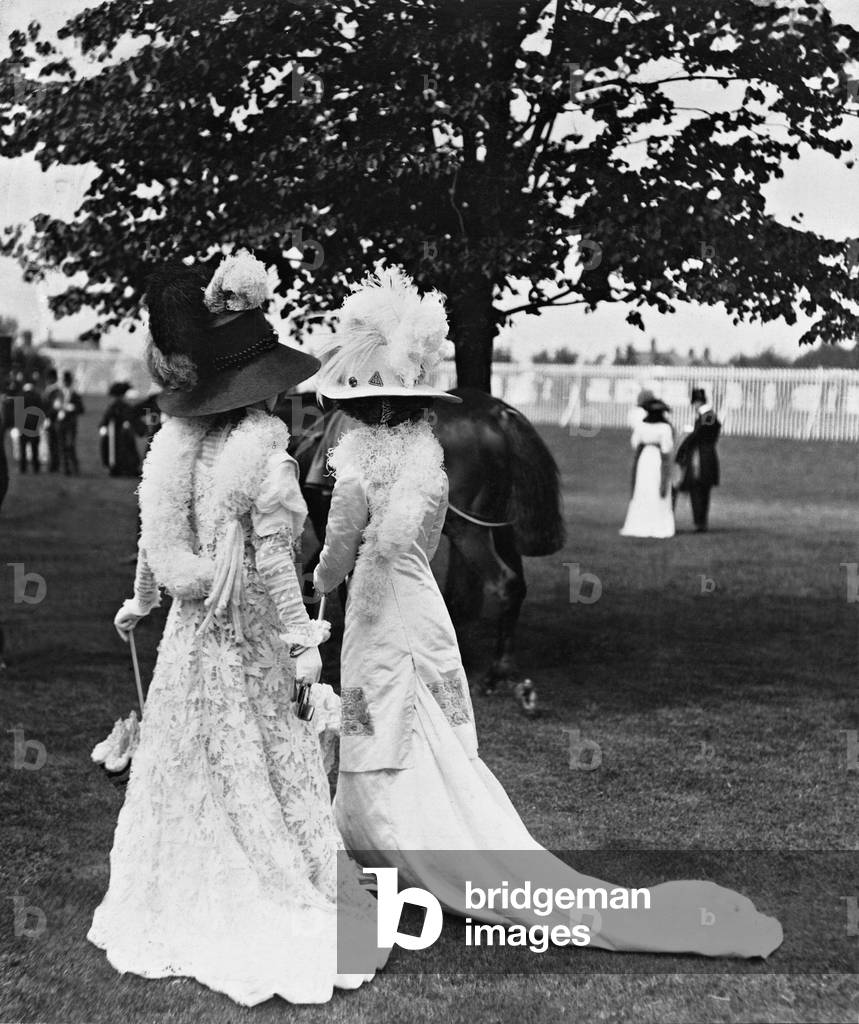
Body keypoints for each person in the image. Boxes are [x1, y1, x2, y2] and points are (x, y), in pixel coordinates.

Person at [313, 264, 782, 960]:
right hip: (423, 606)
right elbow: (430, 534)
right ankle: (433, 827)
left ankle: (389, 840)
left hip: (381, 610)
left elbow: (337, 549)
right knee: (426, 718)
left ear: (371, 402)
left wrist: (320, 586)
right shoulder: (430, 462)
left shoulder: (351, 466)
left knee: (371, 709)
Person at [89, 249, 386, 1005]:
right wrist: (301, 642)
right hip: (242, 629)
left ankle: (180, 887)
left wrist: (145, 601)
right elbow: (275, 561)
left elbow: (157, 538)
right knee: (255, 751)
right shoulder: (261, 448)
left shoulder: (175, 445)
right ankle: (259, 888)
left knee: (193, 756)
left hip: (189, 640)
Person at [620, 396, 675, 539]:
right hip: (657, 458)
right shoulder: (665, 427)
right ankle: (659, 524)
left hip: (645, 458)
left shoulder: (641, 425)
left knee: (643, 489)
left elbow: (635, 443)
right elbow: (667, 447)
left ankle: (640, 522)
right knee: (658, 488)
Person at [674, 387, 721, 532]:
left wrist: (682, 449)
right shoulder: (710, 416)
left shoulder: (707, 416)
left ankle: (700, 522)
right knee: (702, 491)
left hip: (700, 457)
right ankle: (701, 521)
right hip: (707, 455)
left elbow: (698, 435)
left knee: (698, 489)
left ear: (696, 403)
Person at [99, 381, 143, 476]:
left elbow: (108, 417)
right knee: (121, 451)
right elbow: (108, 417)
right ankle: (120, 469)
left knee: (123, 451)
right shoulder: (118, 406)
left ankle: (120, 469)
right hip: (117, 434)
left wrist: (103, 426)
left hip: (121, 434)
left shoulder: (117, 406)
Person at [56, 370, 84, 475]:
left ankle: (75, 468)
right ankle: (65, 469)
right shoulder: (58, 393)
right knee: (62, 447)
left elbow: (81, 409)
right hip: (60, 423)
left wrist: (73, 408)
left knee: (70, 446)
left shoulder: (75, 395)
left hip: (71, 423)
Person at [42, 367, 63, 472]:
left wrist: (48, 418)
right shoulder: (50, 390)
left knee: (53, 443)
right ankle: (53, 464)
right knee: (51, 443)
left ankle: (54, 466)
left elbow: (56, 407)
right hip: (50, 419)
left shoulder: (55, 391)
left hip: (53, 421)